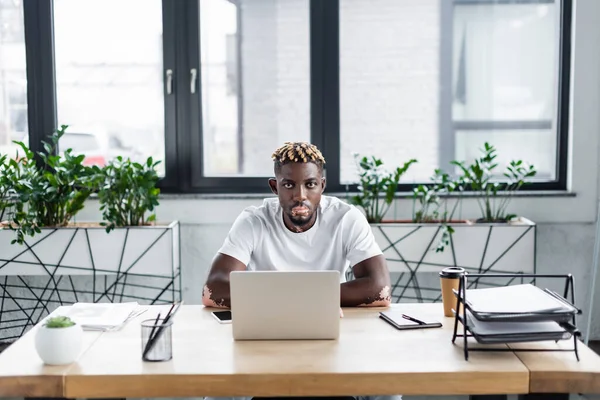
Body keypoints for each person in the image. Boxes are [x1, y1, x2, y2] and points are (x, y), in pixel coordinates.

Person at [202, 141, 400, 400]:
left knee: (387, 390)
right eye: (289, 185)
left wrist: (302, 302)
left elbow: (380, 289)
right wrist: (300, 302)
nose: (300, 195)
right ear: (275, 187)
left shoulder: (346, 218)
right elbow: (212, 290)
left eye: (310, 184)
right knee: (220, 393)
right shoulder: (253, 220)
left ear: (322, 186)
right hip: (267, 336)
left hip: (332, 332)